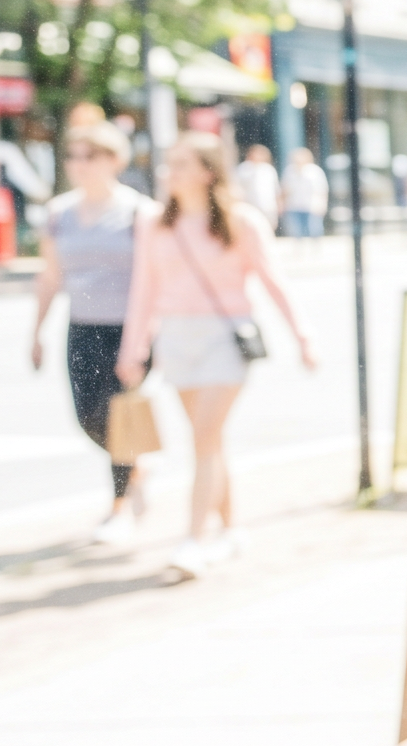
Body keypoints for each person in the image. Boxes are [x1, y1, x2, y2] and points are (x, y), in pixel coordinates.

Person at [117, 132, 316, 577]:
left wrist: (303, 336)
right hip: (176, 341)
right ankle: (230, 528)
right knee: (211, 441)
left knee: (203, 438)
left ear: (208, 172)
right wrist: (135, 348)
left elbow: (273, 282)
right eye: (170, 164)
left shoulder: (240, 222)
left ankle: (193, 540)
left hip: (224, 340)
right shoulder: (154, 223)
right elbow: (143, 291)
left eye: (182, 165)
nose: (170, 173)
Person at [27, 123, 156, 546]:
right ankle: (136, 468)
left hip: (129, 328)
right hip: (81, 326)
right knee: (88, 417)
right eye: (73, 157)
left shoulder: (139, 212)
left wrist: (140, 342)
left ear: (114, 160)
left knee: (115, 416)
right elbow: (50, 276)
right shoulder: (59, 213)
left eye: (90, 156)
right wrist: (37, 331)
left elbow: (153, 280)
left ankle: (119, 507)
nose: (79, 165)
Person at [281, 146, 328, 238]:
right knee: (296, 231)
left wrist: (322, 204)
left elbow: (322, 189)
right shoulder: (289, 171)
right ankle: (299, 249)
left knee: (314, 229)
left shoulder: (315, 171)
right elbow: (285, 188)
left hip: (311, 205)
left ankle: (315, 249)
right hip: (294, 205)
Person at [233, 141, 281, 219]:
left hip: (268, 207)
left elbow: (275, 189)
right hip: (250, 206)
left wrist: (279, 204)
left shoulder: (268, 169)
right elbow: (237, 187)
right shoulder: (243, 168)